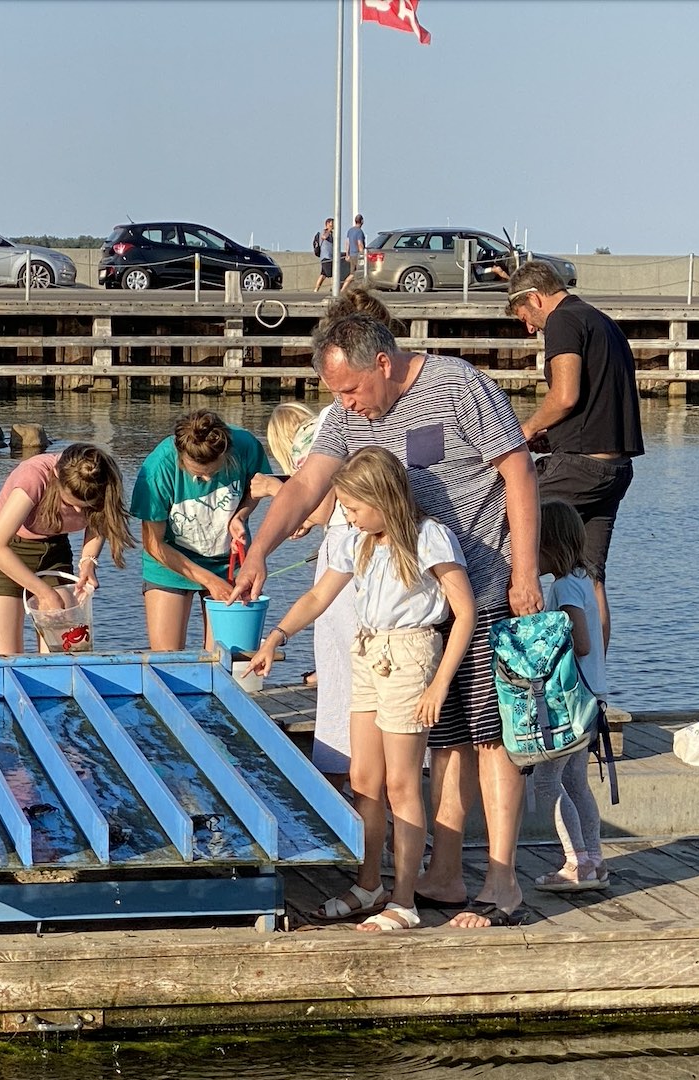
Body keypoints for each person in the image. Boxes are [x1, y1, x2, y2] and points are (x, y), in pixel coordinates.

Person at [230, 306, 543, 928]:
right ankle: (446, 873)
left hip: (479, 585)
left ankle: (502, 881)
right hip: (413, 614)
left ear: (383, 362)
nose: (344, 404)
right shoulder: (346, 419)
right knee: (445, 741)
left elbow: (519, 472)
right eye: (334, 393)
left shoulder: (458, 386)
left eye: (349, 389)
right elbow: (302, 486)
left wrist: (526, 572)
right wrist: (260, 551)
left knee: (491, 737)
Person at [244, 447, 476, 932]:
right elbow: (317, 596)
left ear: (382, 498)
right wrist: (276, 636)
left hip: (411, 656)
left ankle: (404, 900)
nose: (346, 516)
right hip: (367, 653)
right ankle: (369, 881)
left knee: (401, 784)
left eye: (353, 508)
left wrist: (438, 683)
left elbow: (464, 613)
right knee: (365, 780)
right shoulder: (359, 540)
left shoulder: (429, 537)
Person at [506, 259, 644, 649]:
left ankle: (509, 663)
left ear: (534, 297)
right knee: (589, 575)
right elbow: (598, 404)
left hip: (581, 468)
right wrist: (556, 437)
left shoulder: (563, 321)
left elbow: (565, 395)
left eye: (525, 316)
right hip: (614, 467)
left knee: (504, 527)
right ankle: (594, 681)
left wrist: (526, 431)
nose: (529, 328)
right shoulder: (603, 322)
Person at [252, 401, 355, 788]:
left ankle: (334, 787)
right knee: (339, 679)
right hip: (340, 562)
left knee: (340, 685)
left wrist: (279, 495)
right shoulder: (333, 422)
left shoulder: (310, 448)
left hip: (342, 567)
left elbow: (320, 498)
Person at [131, 408, 270, 651]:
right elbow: (154, 544)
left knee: (226, 657)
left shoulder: (245, 445)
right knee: (168, 660)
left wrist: (241, 514)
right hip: (171, 565)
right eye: (197, 474)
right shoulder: (156, 470)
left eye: (213, 472)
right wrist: (209, 581)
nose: (206, 480)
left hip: (229, 564)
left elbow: (256, 488)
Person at [0, 444, 133, 654]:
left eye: (86, 507)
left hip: (54, 551)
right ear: (56, 476)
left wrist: (88, 561)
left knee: (67, 649)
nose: (77, 511)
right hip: (4, 550)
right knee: (6, 657)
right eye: (71, 503)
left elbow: (100, 522)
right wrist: (44, 593)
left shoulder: (103, 481)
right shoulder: (33, 476)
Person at [531, 499, 609, 891]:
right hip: (591, 695)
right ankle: (593, 859)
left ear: (549, 545)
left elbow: (578, 642)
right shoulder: (583, 578)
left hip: (569, 699)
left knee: (546, 782)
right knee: (576, 781)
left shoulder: (563, 586)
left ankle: (575, 862)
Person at [341, 213, 367, 290]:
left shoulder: (350, 231)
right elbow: (360, 244)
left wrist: (347, 254)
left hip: (352, 254)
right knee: (359, 273)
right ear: (362, 221)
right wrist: (363, 254)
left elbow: (347, 243)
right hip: (357, 255)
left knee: (353, 273)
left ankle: (344, 288)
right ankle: (344, 289)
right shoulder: (359, 232)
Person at [313, 217, 336, 293]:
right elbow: (324, 237)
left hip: (329, 256)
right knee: (333, 273)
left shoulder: (331, 233)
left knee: (323, 274)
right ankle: (334, 288)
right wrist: (329, 229)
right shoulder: (324, 231)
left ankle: (316, 289)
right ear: (328, 223)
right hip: (326, 256)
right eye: (332, 223)